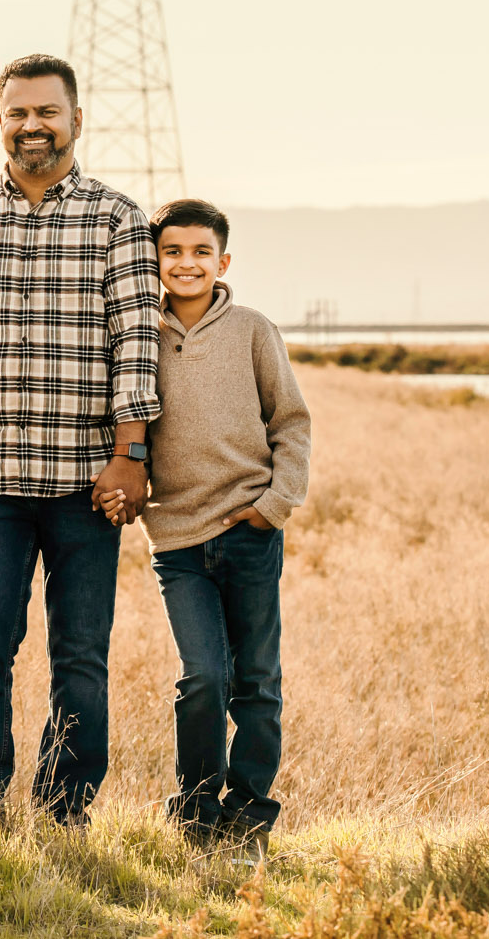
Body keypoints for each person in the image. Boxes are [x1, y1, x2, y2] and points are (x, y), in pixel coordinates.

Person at [0, 53, 163, 827]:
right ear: (2, 121)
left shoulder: (116, 218)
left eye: (47, 112)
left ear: (76, 120)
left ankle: (64, 808)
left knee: (80, 656)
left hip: (88, 482)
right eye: (18, 113)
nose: (32, 126)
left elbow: (135, 344)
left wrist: (130, 453)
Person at [136, 198, 311, 862]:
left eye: (200, 252)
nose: (187, 263)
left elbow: (292, 422)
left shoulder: (253, 330)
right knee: (203, 674)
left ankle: (250, 815)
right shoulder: (137, 337)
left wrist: (274, 504)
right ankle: (197, 809)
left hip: (249, 531)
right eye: (173, 251)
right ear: (155, 260)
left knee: (257, 678)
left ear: (223, 261)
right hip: (177, 538)